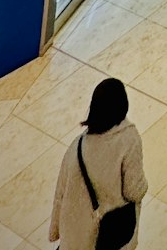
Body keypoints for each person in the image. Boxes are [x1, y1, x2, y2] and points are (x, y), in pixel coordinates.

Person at [49, 78, 147, 249]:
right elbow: (133, 191)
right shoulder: (128, 139)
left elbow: (60, 193)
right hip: (105, 234)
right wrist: (144, 187)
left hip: (74, 234)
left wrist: (55, 230)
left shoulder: (77, 145)